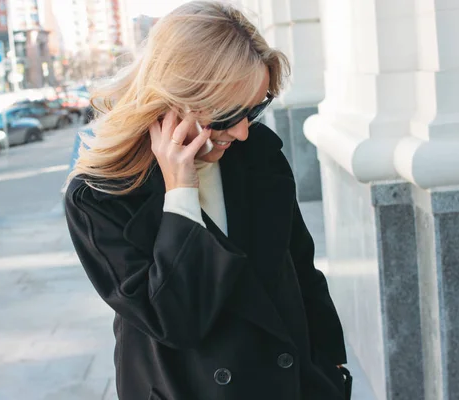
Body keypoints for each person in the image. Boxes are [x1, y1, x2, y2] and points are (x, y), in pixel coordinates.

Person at [64, 1, 348, 399]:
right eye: (228, 114)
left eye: (255, 109)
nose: (243, 131)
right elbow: (175, 320)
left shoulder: (258, 154)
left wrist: (332, 369)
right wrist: (181, 192)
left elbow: (300, 268)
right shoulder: (99, 196)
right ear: (173, 94)